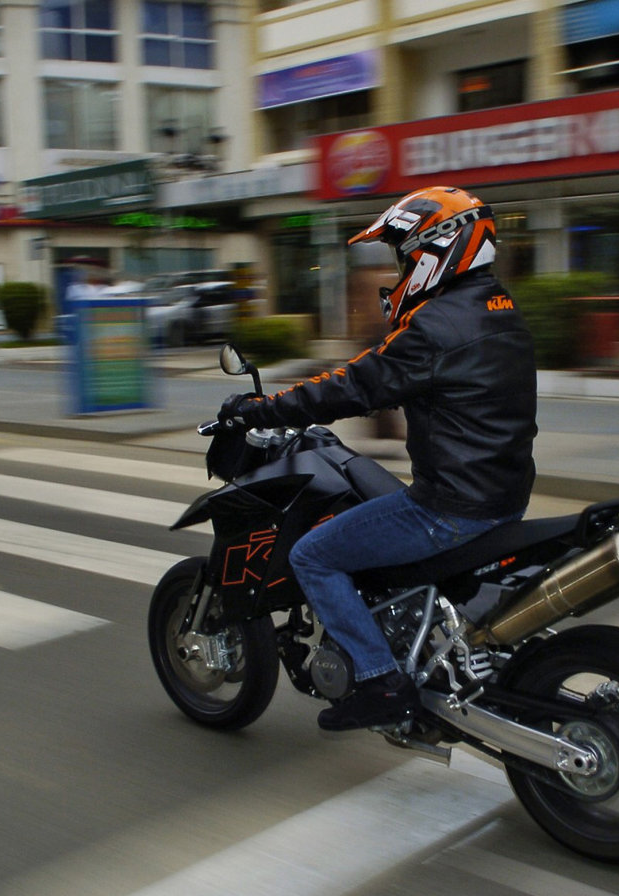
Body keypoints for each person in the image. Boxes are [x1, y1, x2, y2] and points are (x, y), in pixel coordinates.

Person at [217, 187, 537, 731]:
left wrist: (260, 410)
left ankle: (380, 681)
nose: (402, 267)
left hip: (451, 506)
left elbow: (350, 386)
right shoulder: (499, 309)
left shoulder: (435, 327)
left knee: (315, 555)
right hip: (504, 494)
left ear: (438, 250)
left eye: (406, 255)